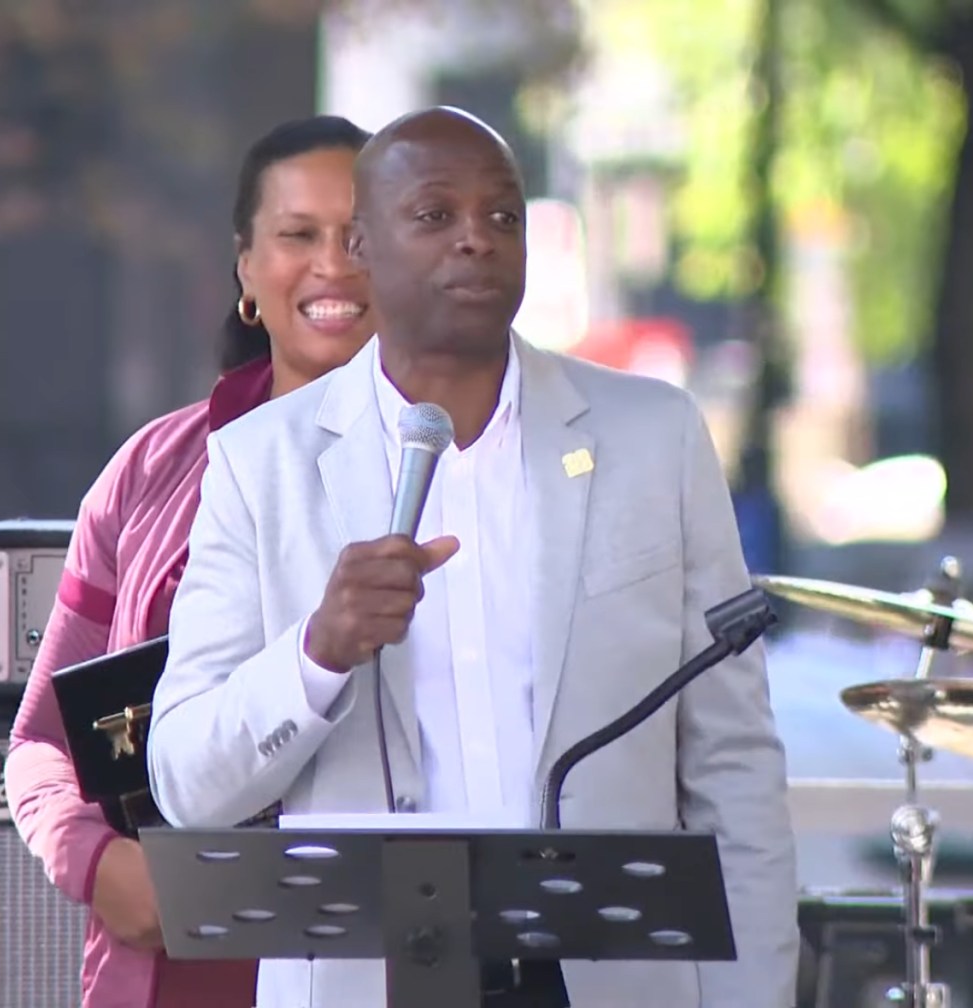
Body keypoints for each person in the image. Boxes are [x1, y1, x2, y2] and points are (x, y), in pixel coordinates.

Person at [147, 106, 798, 1008]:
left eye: (503, 217)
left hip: (609, 982)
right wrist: (317, 653)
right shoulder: (262, 465)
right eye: (434, 216)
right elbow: (185, 783)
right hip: (367, 983)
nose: (477, 242)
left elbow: (735, 763)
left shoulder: (654, 437)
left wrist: (754, 999)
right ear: (364, 248)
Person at [4, 114, 376, 1008]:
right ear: (247, 268)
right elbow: (41, 741)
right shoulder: (151, 471)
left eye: (361, 237)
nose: (332, 265)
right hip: (163, 964)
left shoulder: (459, 470)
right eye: (297, 235)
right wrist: (95, 863)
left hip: (371, 957)